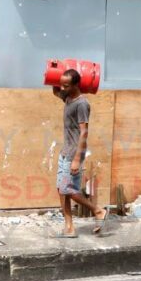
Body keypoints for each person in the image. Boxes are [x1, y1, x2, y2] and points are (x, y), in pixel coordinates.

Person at [52, 69, 109, 237]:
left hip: (74, 153)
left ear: (76, 85)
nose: (62, 87)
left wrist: (77, 159)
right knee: (61, 189)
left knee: (68, 189)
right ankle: (69, 227)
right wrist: (54, 73)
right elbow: (55, 91)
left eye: (66, 85)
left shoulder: (82, 104)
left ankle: (98, 211)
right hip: (65, 152)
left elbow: (84, 132)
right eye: (62, 84)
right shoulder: (68, 97)